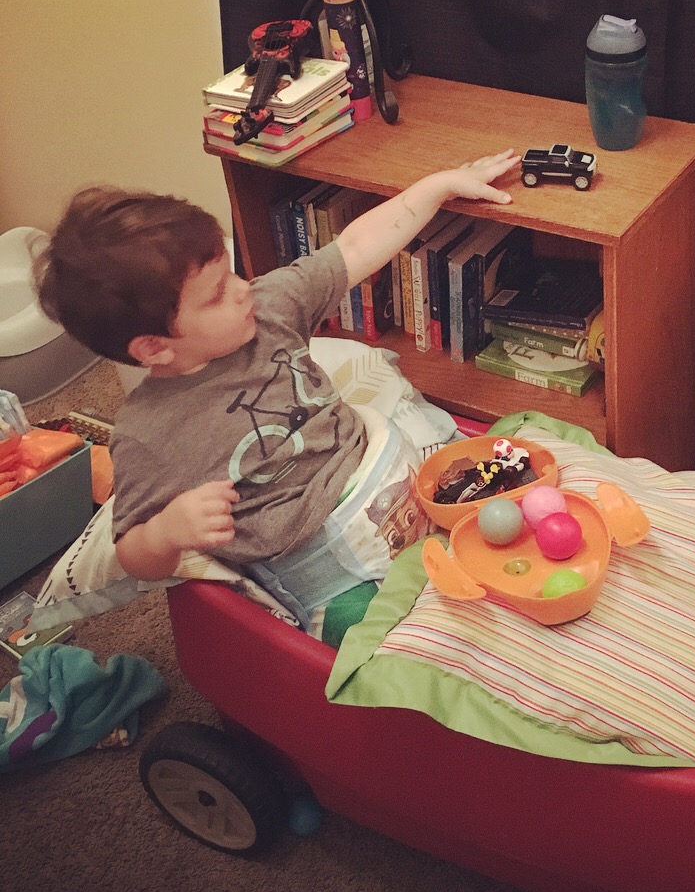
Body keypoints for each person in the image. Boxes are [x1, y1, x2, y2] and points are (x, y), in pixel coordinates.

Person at [35, 149, 520, 625]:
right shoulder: (148, 436)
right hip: (330, 569)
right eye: (217, 294)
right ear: (154, 347)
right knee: (406, 641)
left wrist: (438, 186)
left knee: (522, 505)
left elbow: (353, 248)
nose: (243, 286)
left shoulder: (267, 309)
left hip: (396, 479)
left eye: (230, 272)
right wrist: (166, 532)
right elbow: (132, 553)